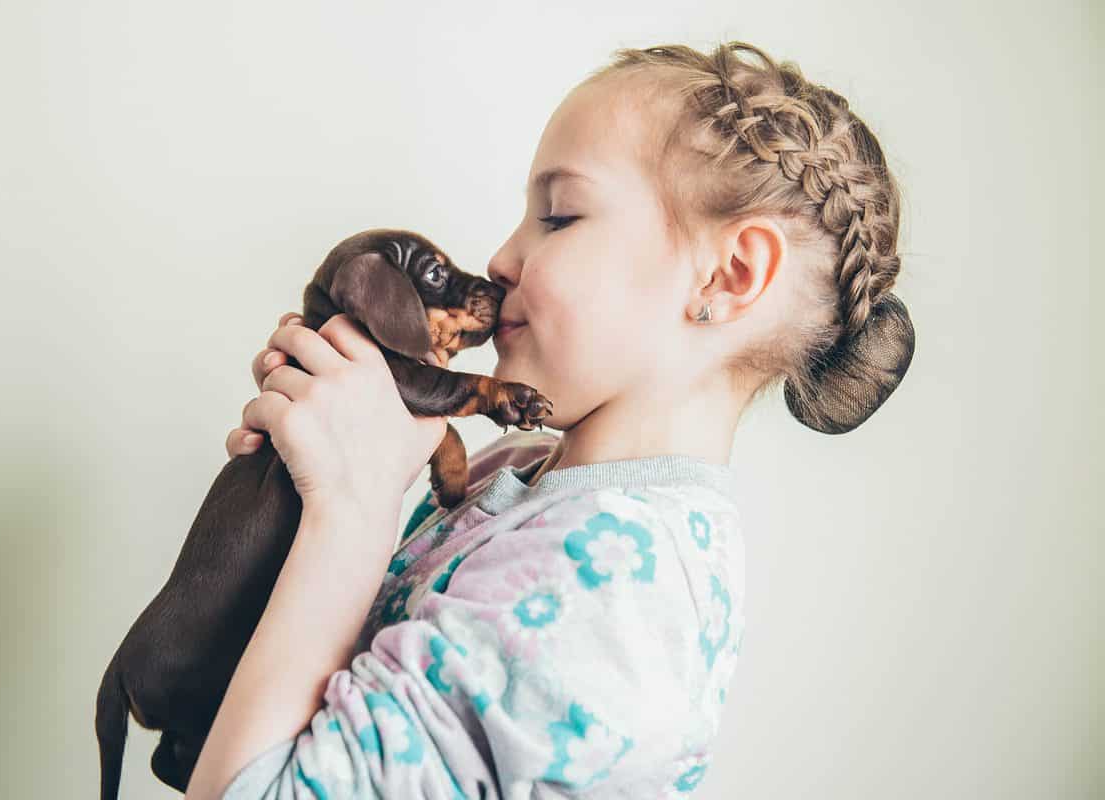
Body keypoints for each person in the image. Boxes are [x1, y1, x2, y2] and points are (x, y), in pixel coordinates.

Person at [186, 40, 916, 799]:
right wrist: (314, 488)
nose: (502, 257)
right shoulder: (522, 468)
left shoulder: (616, 597)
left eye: (559, 216)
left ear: (728, 276)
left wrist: (353, 508)